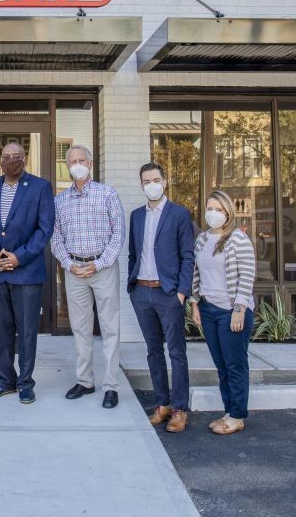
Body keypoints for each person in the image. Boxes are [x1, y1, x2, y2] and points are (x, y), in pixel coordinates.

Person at [0, 141, 54, 405]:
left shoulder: (41, 187)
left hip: (27, 272)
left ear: (24, 159)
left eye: (16, 156)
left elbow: (44, 230)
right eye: (7, 156)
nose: (11, 160)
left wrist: (19, 257)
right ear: (0, 161)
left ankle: (25, 383)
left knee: (27, 331)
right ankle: (4, 380)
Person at [51, 144, 125, 409]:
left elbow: (118, 235)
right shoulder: (59, 200)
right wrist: (69, 264)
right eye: (72, 161)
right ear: (68, 166)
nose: (77, 164)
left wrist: (100, 263)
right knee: (80, 328)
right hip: (74, 271)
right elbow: (55, 237)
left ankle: (111, 386)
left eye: (82, 160)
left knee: (109, 328)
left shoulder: (107, 195)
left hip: (102, 269)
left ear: (90, 164)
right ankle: (85, 381)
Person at [127, 162, 196, 432]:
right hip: (142, 292)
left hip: (168, 294)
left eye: (156, 179)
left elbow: (188, 256)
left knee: (176, 352)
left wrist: (182, 292)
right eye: (146, 181)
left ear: (164, 182)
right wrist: (132, 288)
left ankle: (179, 408)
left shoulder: (179, 214)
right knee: (153, 351)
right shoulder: (136, 216)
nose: (151, 184)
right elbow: (134, 253)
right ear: (141, 185)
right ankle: (162, 403)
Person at [191, 189, 256, 435]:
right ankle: (229, 411)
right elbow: (197, 275)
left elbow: (247, 276)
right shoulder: (202, 240)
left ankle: (237, 415)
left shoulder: (238, 239)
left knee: (235, 364)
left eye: (219, 209)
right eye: (209, 208)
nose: (213, 213)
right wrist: (195, 303)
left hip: (231, 311)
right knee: (221, 365)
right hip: (209, 310)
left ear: (228, 212)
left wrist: (239, 309)